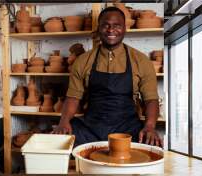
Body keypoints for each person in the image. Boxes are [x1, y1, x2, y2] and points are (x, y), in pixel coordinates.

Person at [52, 6, 162, 147]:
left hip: (128, 128)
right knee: (61, 143)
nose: (111, 30)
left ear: (124, 28)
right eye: (106, 25)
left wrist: (150, 126)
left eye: (117, 25)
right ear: (99, 28)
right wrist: (63, 122)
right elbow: (73, 97)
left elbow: (151, 99)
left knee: (151, 145)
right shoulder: (83, 61)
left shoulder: (141, 60)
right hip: (91, 128)